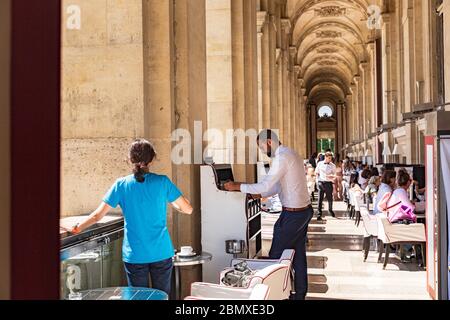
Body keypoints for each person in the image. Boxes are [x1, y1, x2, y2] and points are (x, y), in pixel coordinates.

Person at [69, 139, 193, 296]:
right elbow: (188, 209)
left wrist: (78, 227)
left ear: (129, 159)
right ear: (152, 159)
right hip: (161, 252)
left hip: (134, 254)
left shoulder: (121, 185)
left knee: (138, 297)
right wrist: (175, 205)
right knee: (161, 297)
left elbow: (97, 215)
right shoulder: (162, 182)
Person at [224, 130, 312, 300]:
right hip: (303, 212)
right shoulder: (290, 153)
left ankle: (273, 296)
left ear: (269, 142)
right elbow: (279, 186)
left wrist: (236, 186)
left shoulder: (281, 158)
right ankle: (299, 294)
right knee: (298, 255)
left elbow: (264, 185)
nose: (262, 150)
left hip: (293, 215)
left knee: (275, 258)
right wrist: (260, 194)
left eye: (261, 146)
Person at [315, 152, 337, 221]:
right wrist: (317, 181)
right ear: (325, 157)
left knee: (330, 198)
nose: (330, 159)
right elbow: (316, 172)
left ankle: (330, 210)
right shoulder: (320, 163)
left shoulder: (333, 165)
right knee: (320, 199)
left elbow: (335, 175)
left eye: (331, 158)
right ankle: (319, 214)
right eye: (329, 158)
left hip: (328, 183)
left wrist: (332, 177)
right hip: (321, 182)